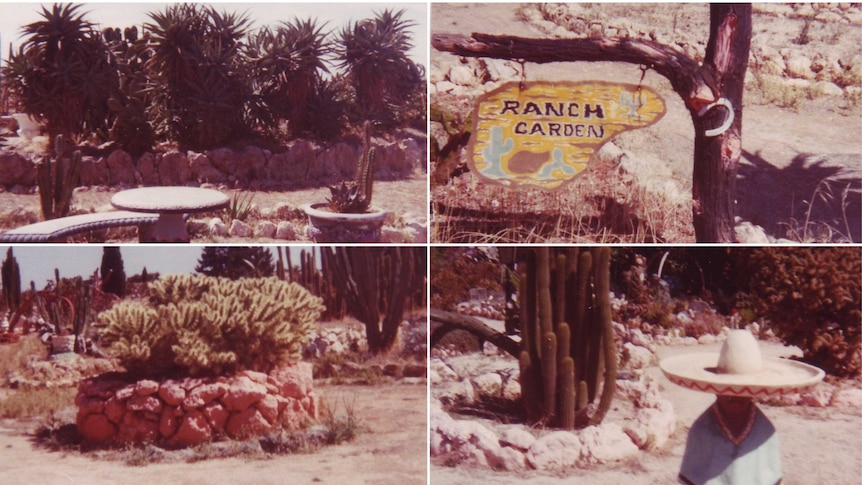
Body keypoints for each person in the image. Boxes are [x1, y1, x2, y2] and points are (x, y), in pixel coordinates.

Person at [660, 329, 825, 485]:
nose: (736, 398)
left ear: (754, 392)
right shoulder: (702, 430)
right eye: (729, 390)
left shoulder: (765, 432)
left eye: (743, 390)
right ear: (716, 391)